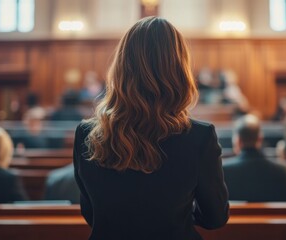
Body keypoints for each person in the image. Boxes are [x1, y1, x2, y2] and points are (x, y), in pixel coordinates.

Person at [73, 17, 229, 240]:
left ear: (122, 67)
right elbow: (215, 218)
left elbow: (91, 214)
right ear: (179, 69)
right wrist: (180, 213)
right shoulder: (199, 137)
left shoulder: (86, 134)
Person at [223, 114, 286, 202]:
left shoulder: (224, 171)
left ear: (238, 140)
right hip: (274, 216)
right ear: (260, 139)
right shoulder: (284, 170)